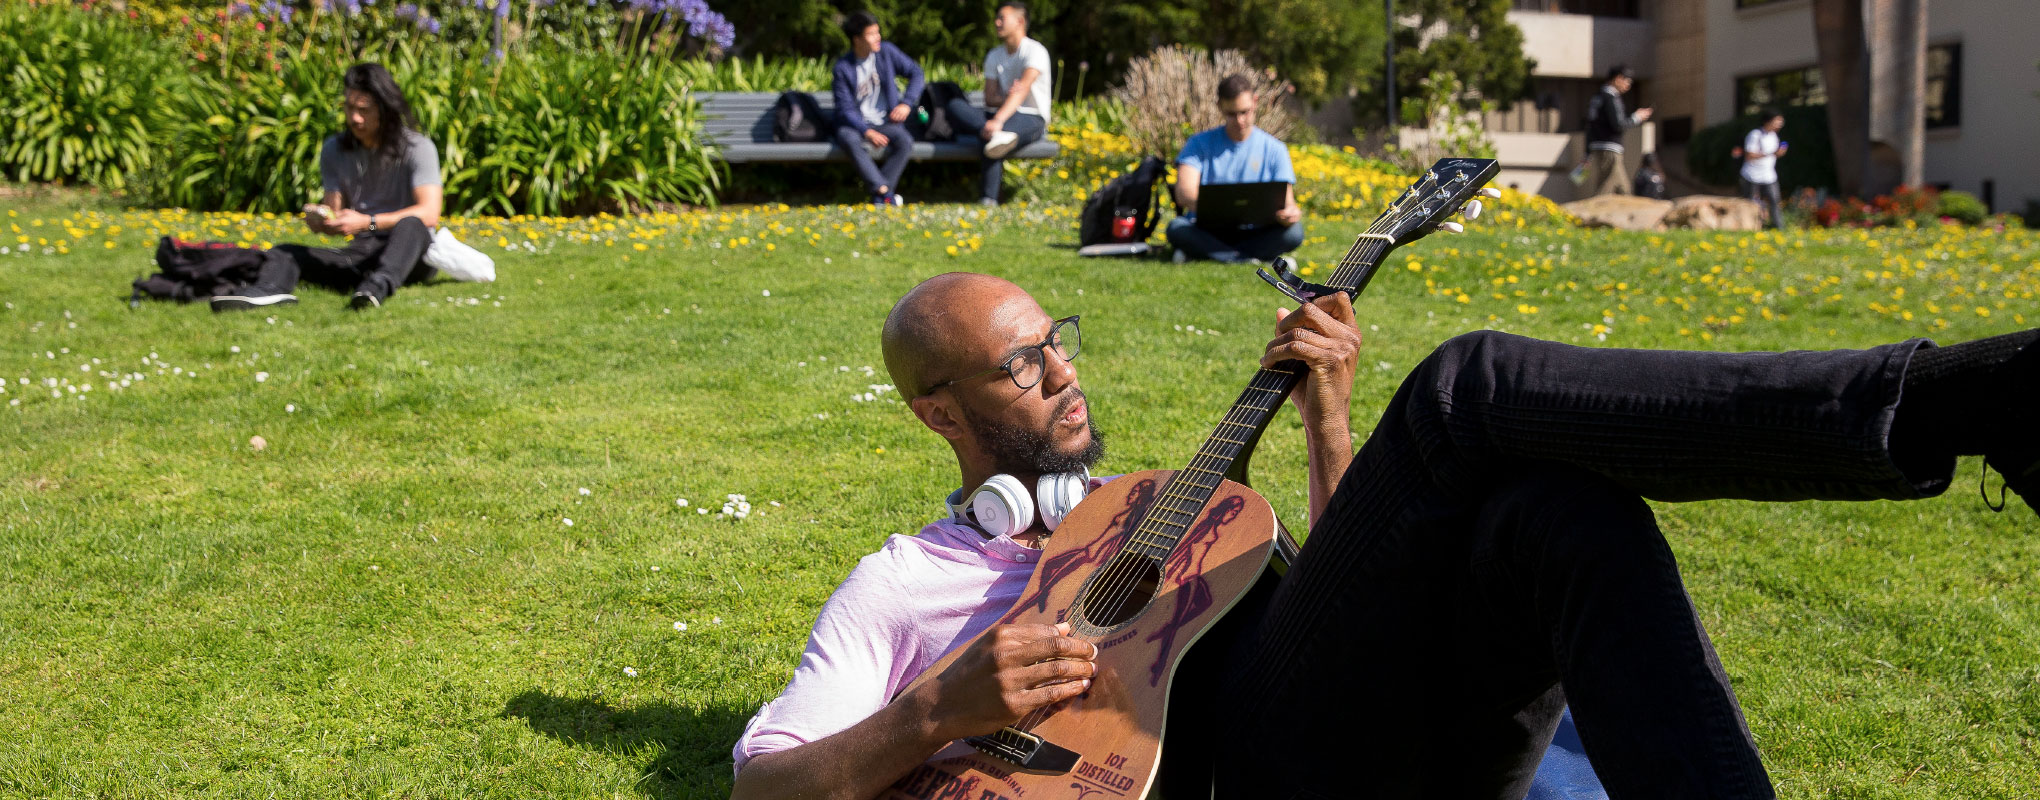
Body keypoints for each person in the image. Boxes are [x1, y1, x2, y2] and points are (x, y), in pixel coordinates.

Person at [726, 271, 2037, 799]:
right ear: (935, 409)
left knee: (1555, 516)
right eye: (1021, 366)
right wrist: (935, 709)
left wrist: (1331, 412)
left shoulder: (1158, 515)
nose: (1063, 372)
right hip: (1233, 783)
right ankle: (1975, 399)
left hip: (1359, 750)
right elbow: (760, 784)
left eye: (1057, 340)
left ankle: (1968, 398)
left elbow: (1367, 596)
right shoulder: (905, 581)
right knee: (1468, 386)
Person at [211, 63, 442, 312]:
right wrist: (323, 219)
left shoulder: (418, 148)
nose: (355, 118)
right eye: (350, 108)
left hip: (413, 254)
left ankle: (376, 288)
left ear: (384, 110)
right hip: (362, 252)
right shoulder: (335, 149)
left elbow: (429, 213)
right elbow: (334, 208)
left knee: (411, 224)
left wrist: (367, 222)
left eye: (364, 110)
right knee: (285, 252)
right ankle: (268, 290)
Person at [1164, 74, 1305, 265]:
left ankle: (1220, 254)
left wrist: (1290, 215)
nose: (1239, 120)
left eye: (1244, 112)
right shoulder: (1198, 144)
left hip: (1257, 231)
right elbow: (1184, 194)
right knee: (1176, 228)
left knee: (1295, 233)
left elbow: (1287, 203)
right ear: (1220, 106)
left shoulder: (1275, 149)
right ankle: (1248, 257)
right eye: (1232, 114)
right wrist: (1219, 210)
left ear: (1255, 102)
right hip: (1209, 229)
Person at [942, 1, 1050, 206]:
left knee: (991, 136)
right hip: (997, 117)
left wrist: (998, 119)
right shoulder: (994, 55)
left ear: (1019, 21)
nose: (996, 22)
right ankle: (995, 134)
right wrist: (1001, 109)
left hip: (1030, 118)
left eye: (1002, 18)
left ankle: (989, 199)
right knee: (955, 107)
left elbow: (1023, 90)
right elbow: (989, 98)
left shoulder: (1035, 52)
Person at [831, 11, 924, 207]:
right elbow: (845, 109)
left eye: (878, 32)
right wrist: (867, 131)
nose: (878, 37)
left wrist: (906, 103)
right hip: (855, 126)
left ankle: (881, 198)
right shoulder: (842, 68)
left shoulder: (887, 53)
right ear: (857, 40)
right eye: (871, 34)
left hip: (884, 122)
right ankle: (884, 190)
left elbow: (916, 73)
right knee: (848, 138)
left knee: (904, 141)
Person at [1583, 64, 1653, 197]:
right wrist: (1636, 118)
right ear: (1618, 78)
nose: (1628, 85)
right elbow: (1619, 125)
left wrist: (1587, 152)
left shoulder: (1597, 97)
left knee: (1623, 188)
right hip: (1609, 148)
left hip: (1598, 147)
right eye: (1627, 80)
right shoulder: (1610, 97)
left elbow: (1590, 125)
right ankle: (1594, 214)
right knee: (1607, 187)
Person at [1742, 109, 1789, 229]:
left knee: (1775, 202)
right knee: (1751, 204)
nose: (1780, 124)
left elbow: (1773, 154)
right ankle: (1752, 227)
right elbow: (1749, 155)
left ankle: (1779, 228)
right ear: (1768, 121)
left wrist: (1778, 153)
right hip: (1752, 175)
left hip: (1769, 176)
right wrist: (1771, 153)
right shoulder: (1755, 135)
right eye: (1777, 120)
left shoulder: (1774, 137)